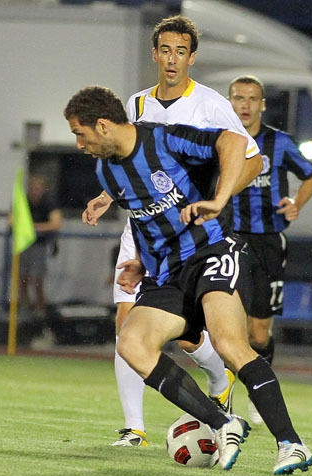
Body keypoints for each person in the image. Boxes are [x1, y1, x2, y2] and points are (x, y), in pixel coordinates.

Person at [64, 85, 312, 475]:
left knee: (230, 344)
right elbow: (145, 221)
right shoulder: (106, 171)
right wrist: (141, 264)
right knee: (131, 343)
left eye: (80, 134)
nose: (79, 144)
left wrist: (219, 199)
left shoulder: (164, 138)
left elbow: (234, 142)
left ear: (102, 125)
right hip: (168, 272)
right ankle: (224, 424)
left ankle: (291, 444)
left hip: (212, 252)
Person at [82, 15, 259, 447]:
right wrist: (106, 195)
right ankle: (134, 428)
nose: (172, 59)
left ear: (191, 57)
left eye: (181, 51)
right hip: (142, 228)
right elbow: (125, 157)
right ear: (155, 54)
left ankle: (219, 380)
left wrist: (213, 199)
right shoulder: (137, 103)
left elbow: (251, 160)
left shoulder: (211, 104)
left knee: (189, 335)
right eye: (165, 50)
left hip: (190, 233)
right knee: (126, 325)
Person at [228, 75, 312, 425]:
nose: (245, 104)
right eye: (239, 97)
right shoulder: (222, 140)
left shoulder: (279, 142)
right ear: (229, 101)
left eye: (252, 98)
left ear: (262, 104)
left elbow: (310, 176)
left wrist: (296, 203)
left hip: (268, 241)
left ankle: (258, 392)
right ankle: (222, 399)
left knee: (258, 331)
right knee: (226, 325)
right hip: (231, 239)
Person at [16, 173, 62, 314]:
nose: (35, 192)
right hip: (24, 244)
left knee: (37, 278)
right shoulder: (23, 201)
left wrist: (32, 228)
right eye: (33, 188)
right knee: (22, 277)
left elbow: (56, 223)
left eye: (38, 188)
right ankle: (24, 305)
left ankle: (40, 307)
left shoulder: (48, 203)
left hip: (39, 244)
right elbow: (11, 221)